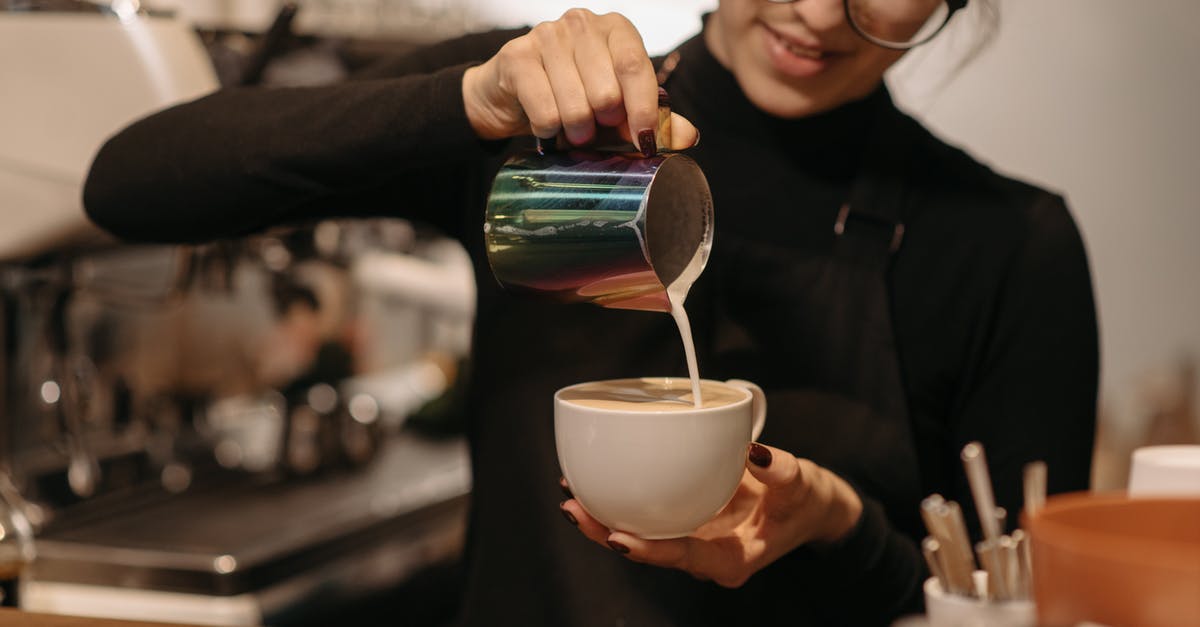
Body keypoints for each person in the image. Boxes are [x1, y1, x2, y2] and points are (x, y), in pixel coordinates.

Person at [83, 1, 1098, 625]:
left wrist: (842, 528)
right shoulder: (547, 134)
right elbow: (128, 186)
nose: (822, 14)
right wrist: (464, 102)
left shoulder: (1003, 241)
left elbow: (1018, 606)